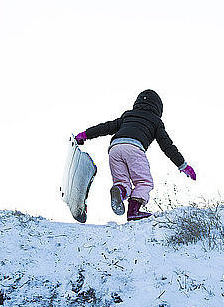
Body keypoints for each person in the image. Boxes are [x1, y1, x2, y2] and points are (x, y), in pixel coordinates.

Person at [74, 89, 196, 221]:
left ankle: (119, 191)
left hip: (115, 148)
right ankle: (133, 211)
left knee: (122, 181)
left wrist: (85, 135)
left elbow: (106, 127)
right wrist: (183, 165)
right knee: (144, 182)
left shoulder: (127, 116)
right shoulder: (156, 122)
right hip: (134, 149)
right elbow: (167, 146)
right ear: (158, 108)